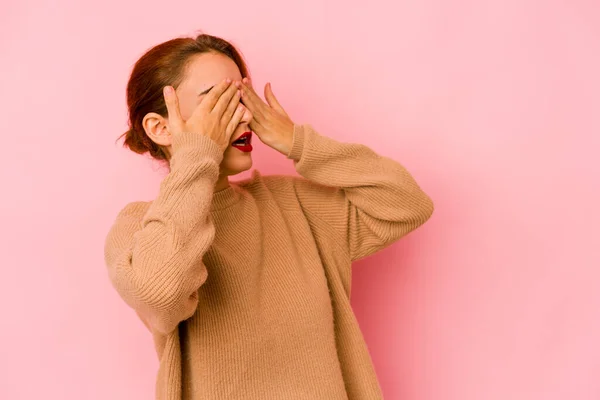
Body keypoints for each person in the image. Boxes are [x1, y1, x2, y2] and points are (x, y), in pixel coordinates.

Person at [104, 33, 434, 400]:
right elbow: (160, 293)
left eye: (242, 98)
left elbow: (406, 202)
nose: (244, 114)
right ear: (160, 127)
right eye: (218, 101)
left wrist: (297, 141)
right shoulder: (138, 229)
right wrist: (196, 156)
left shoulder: (294, 204)